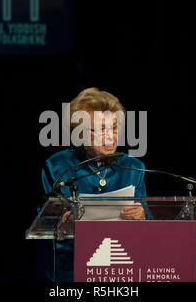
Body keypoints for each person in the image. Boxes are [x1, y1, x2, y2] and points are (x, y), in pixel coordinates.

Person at [40, 87, 148, 281]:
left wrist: (142, 216)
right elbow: (45, 220)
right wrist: (62, 221)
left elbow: (148, 216)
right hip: (70, 270)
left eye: (114, 128)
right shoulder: (58, 166)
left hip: (120, 268)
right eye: (100, 129)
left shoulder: (133, 167)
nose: (110, 136)